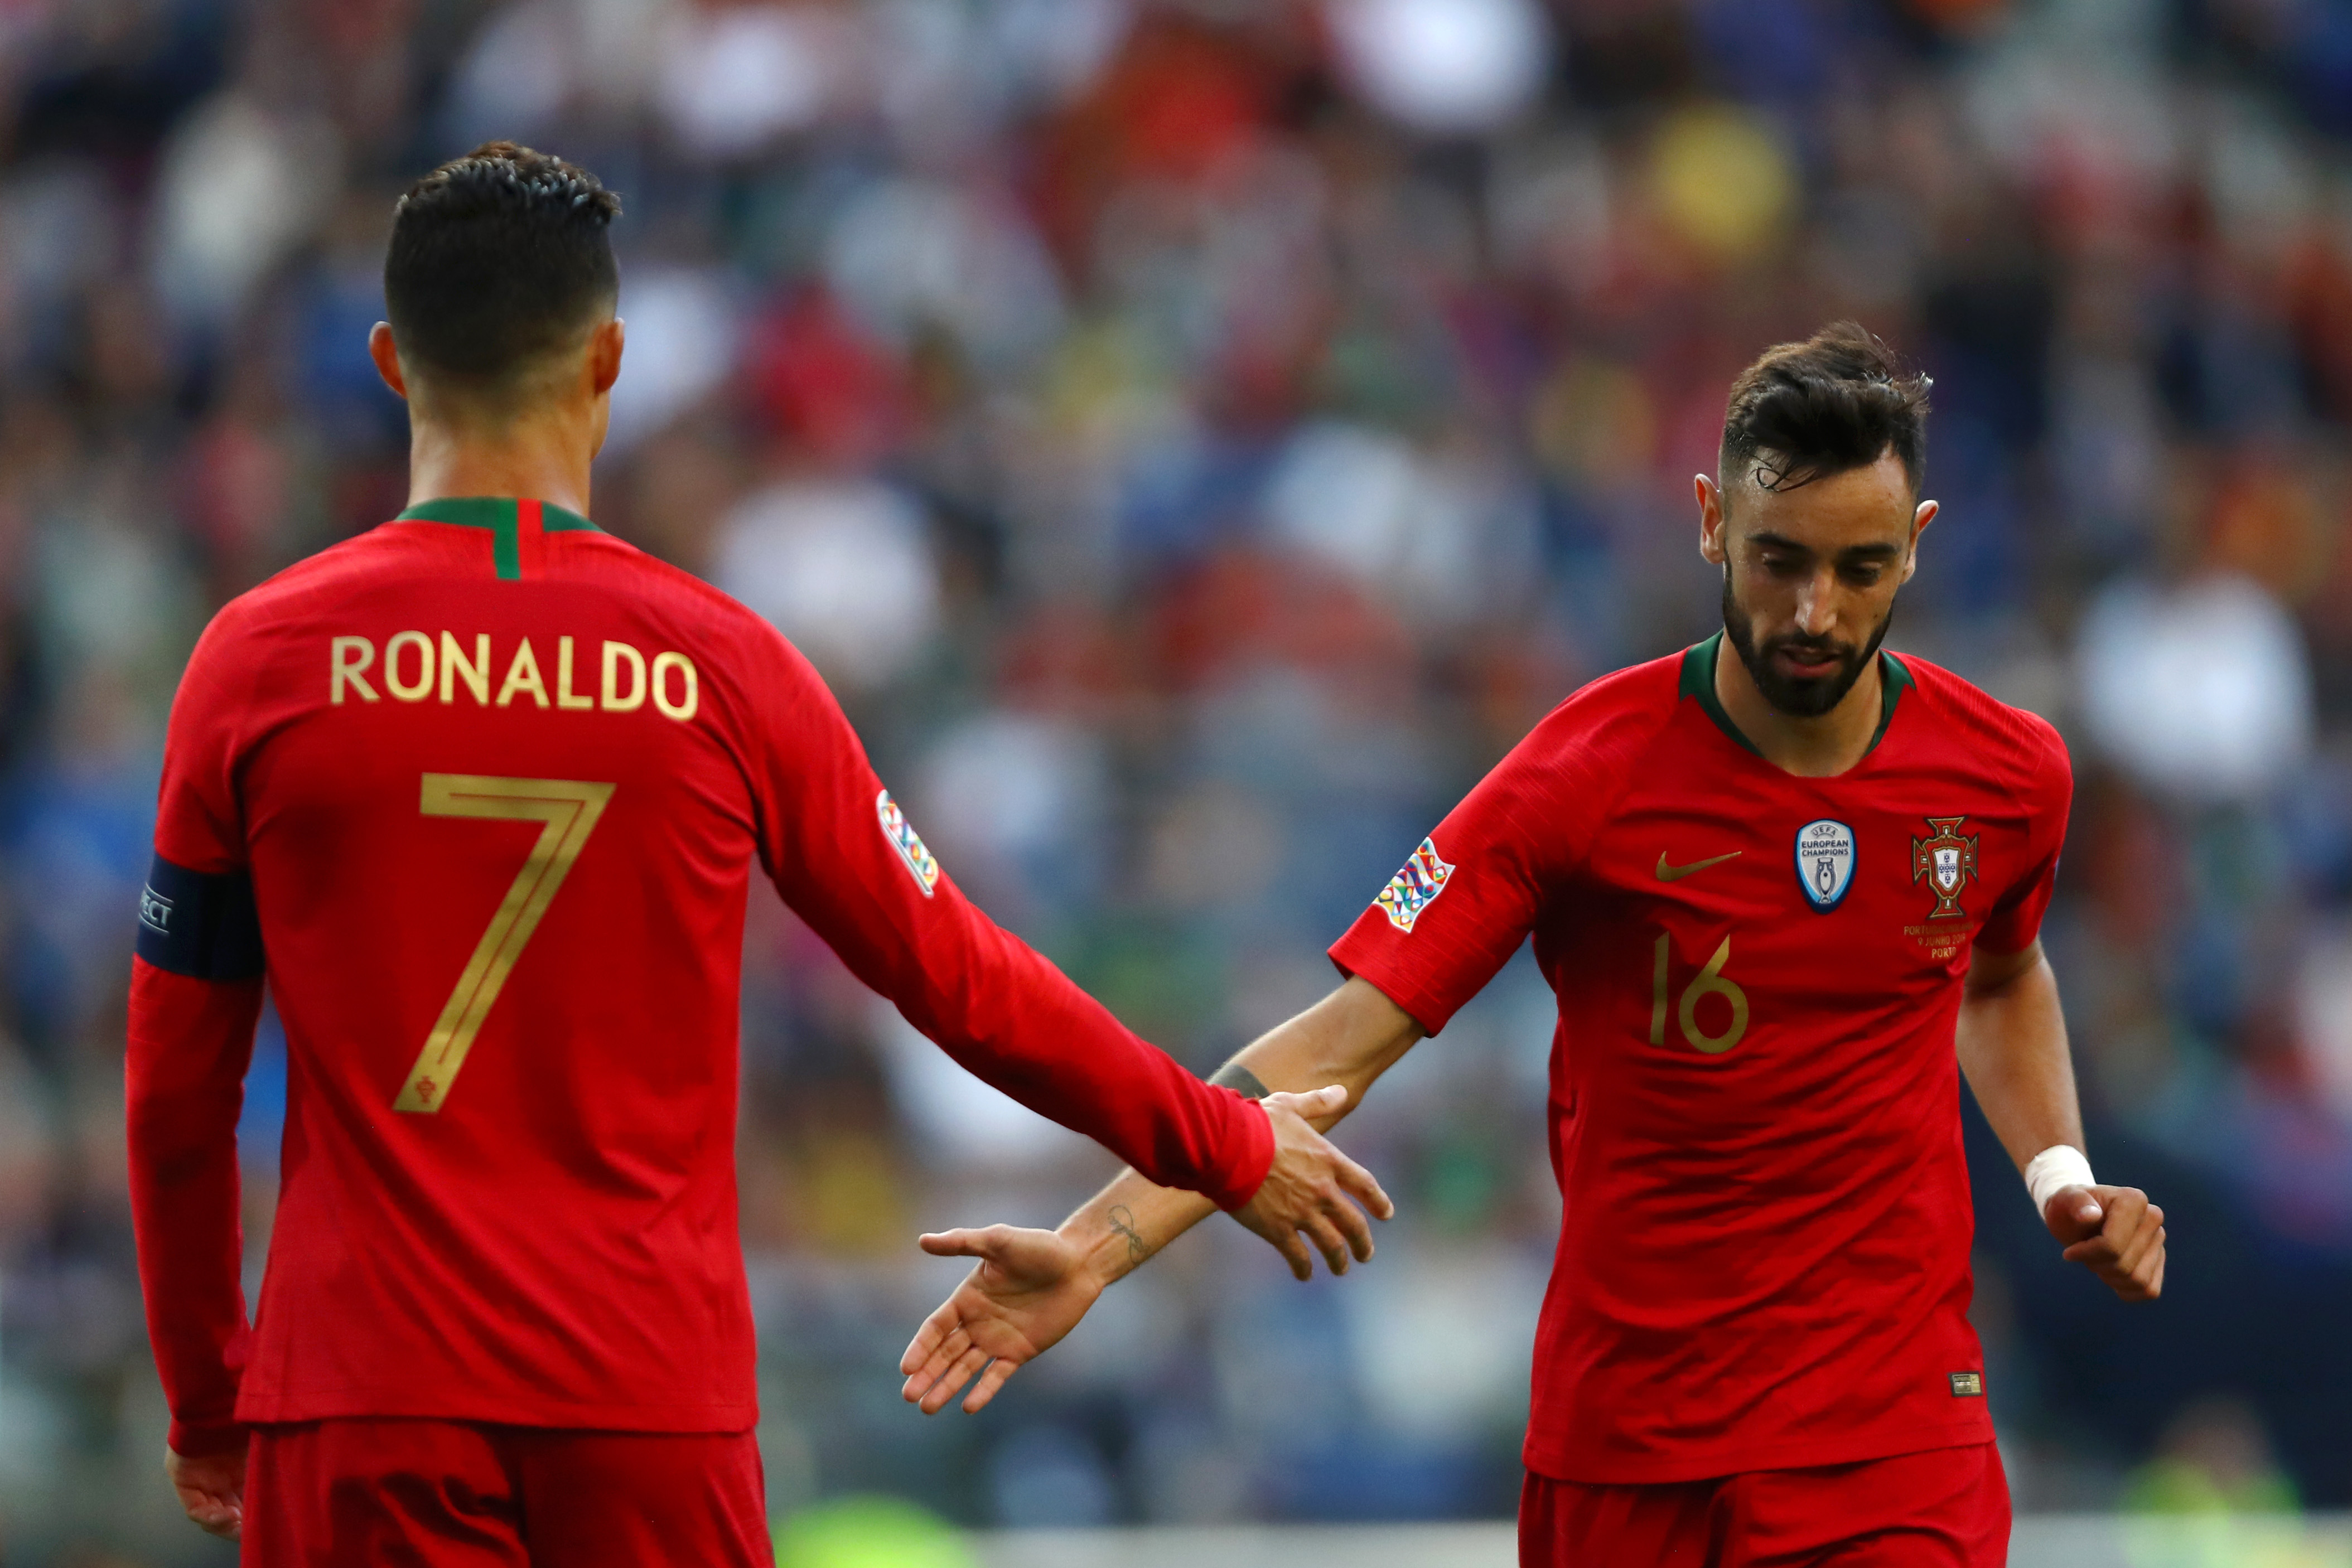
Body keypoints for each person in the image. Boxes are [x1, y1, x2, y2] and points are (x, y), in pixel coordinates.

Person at [125, 142, 1390, 1565]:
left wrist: (204, 1393)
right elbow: (955, 971)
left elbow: (178, 1092)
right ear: (609, 360)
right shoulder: (723, 668)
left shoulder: (259, 663)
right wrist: (1216, 1139)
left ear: (387, 360)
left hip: (364, 1395)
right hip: (646, 1397)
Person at [900, 323, 2167, 1566]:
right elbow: (1339, 1041)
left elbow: (2000, 972)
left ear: (1919, 547)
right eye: (1779, 559)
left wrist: (2059, 1171)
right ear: (1712, 522)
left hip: (1887, 1435)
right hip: (1625, 1437)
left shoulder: (2008, 776)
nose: (1815, 611)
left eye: (1862, 568)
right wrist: (1094, 1246)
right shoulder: (1585, 771)